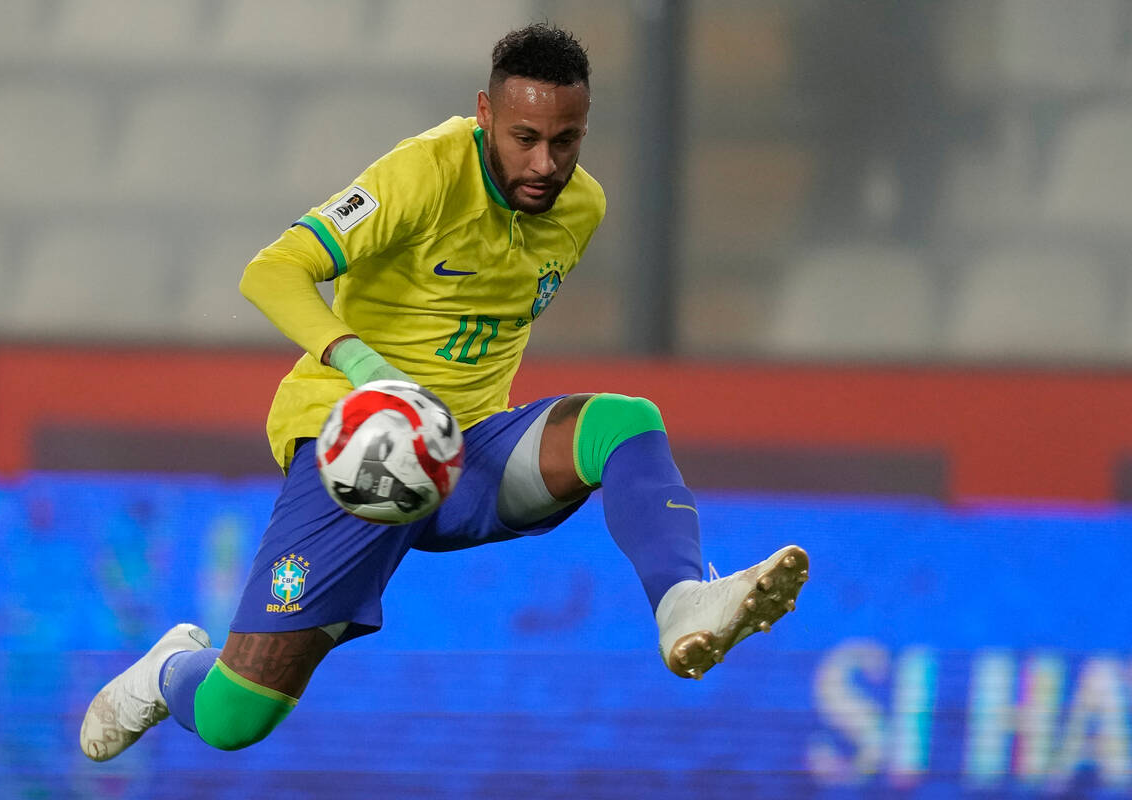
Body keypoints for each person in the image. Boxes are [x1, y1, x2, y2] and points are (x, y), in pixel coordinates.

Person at [80, 23, 808, 761]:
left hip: (465, 454)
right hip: (361, 449)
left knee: (622, 424)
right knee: (239, 717)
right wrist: (363, 367)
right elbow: (271, 271)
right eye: (525, 137)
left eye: (566, 141)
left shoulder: (582, 207)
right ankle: (169, 667)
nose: (544, 163)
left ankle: (683, 598)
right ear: (486, 113)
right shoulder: (421, 175)